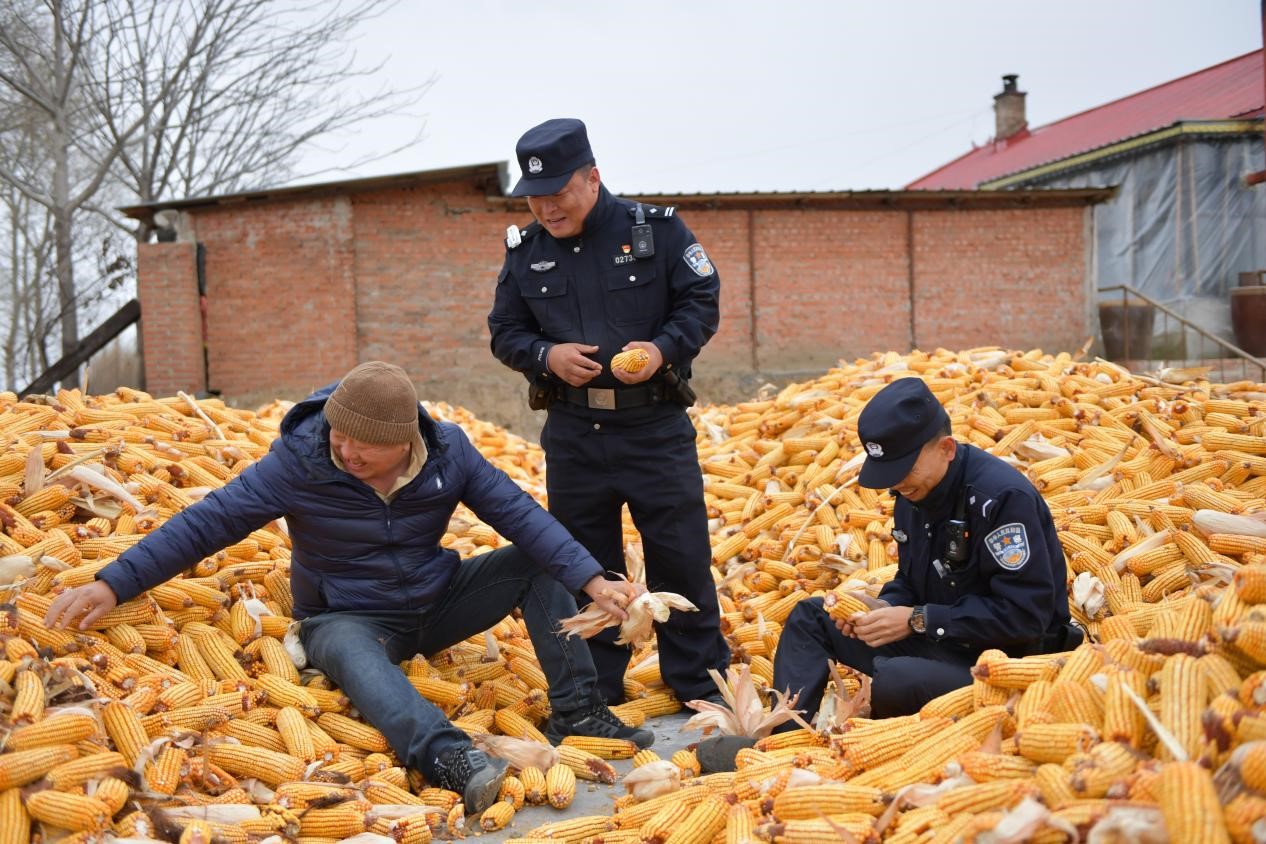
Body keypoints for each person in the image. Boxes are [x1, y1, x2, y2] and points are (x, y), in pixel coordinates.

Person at [44, 361, 654, 814]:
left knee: (536, 562)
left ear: (406, 441)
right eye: (340, 435)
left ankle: (580, 713)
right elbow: (207, 523)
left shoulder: (450, 454)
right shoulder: (300, 460)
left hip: (438, 600)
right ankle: (447, 755)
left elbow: (521, 515)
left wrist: (591, 578)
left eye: (365, 443)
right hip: (348, 614)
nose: (347, 450)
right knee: (351, 654)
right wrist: (112, 582)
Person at [698, 377, 1077, 770]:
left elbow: (1026, 617)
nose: (895, 484)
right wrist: (881, 609)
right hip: (943, 641)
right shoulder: (913, 494)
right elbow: (914, 582)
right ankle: (784, 743)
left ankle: (850, 761)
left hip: (1007, 665)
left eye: (902, 469)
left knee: (895, 678)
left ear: (946, 449)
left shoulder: (1001, 500)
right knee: (811, 618)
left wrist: (916, 620)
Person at [487, 118, 730, 705]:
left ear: (592, 178)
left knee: (681, 559)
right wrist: (548, 356)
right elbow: (504, 332)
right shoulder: (527, 254)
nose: (546, 208)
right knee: (583, 565)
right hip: (575, 433)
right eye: (535, 198)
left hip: (654, 428)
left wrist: (661, 350)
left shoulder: (659, 231)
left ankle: (697, 683)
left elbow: (701, 301)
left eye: (558, 194)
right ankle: (597, 691)